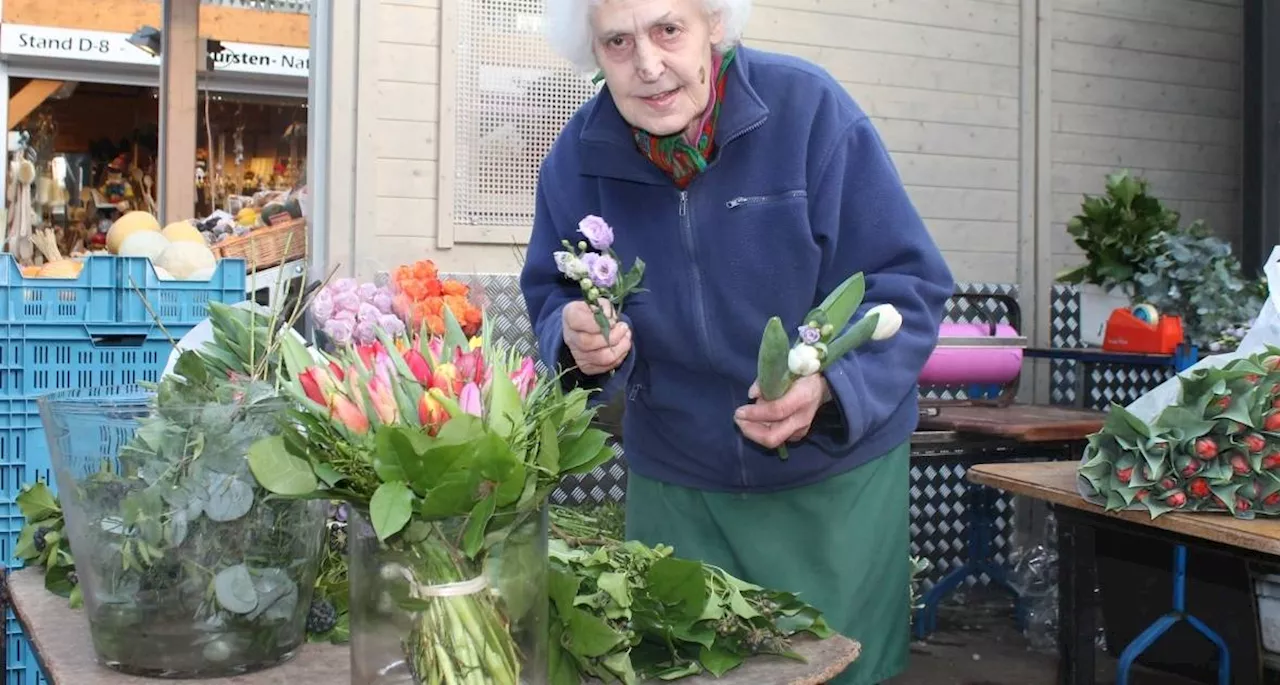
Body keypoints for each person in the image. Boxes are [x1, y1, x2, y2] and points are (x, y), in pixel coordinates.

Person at [520, 1, 954, 682]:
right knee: (684, 669)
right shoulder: (577, 158)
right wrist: (571, 337)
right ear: (592, 51)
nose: (648, 64)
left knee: (836, 672)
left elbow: (908, 283)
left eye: (669, 28)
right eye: (617, 41)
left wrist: (833, 388)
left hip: (832, 486)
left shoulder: (811, 112)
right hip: (680, 488)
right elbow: (552, 291)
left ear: (715, 24)